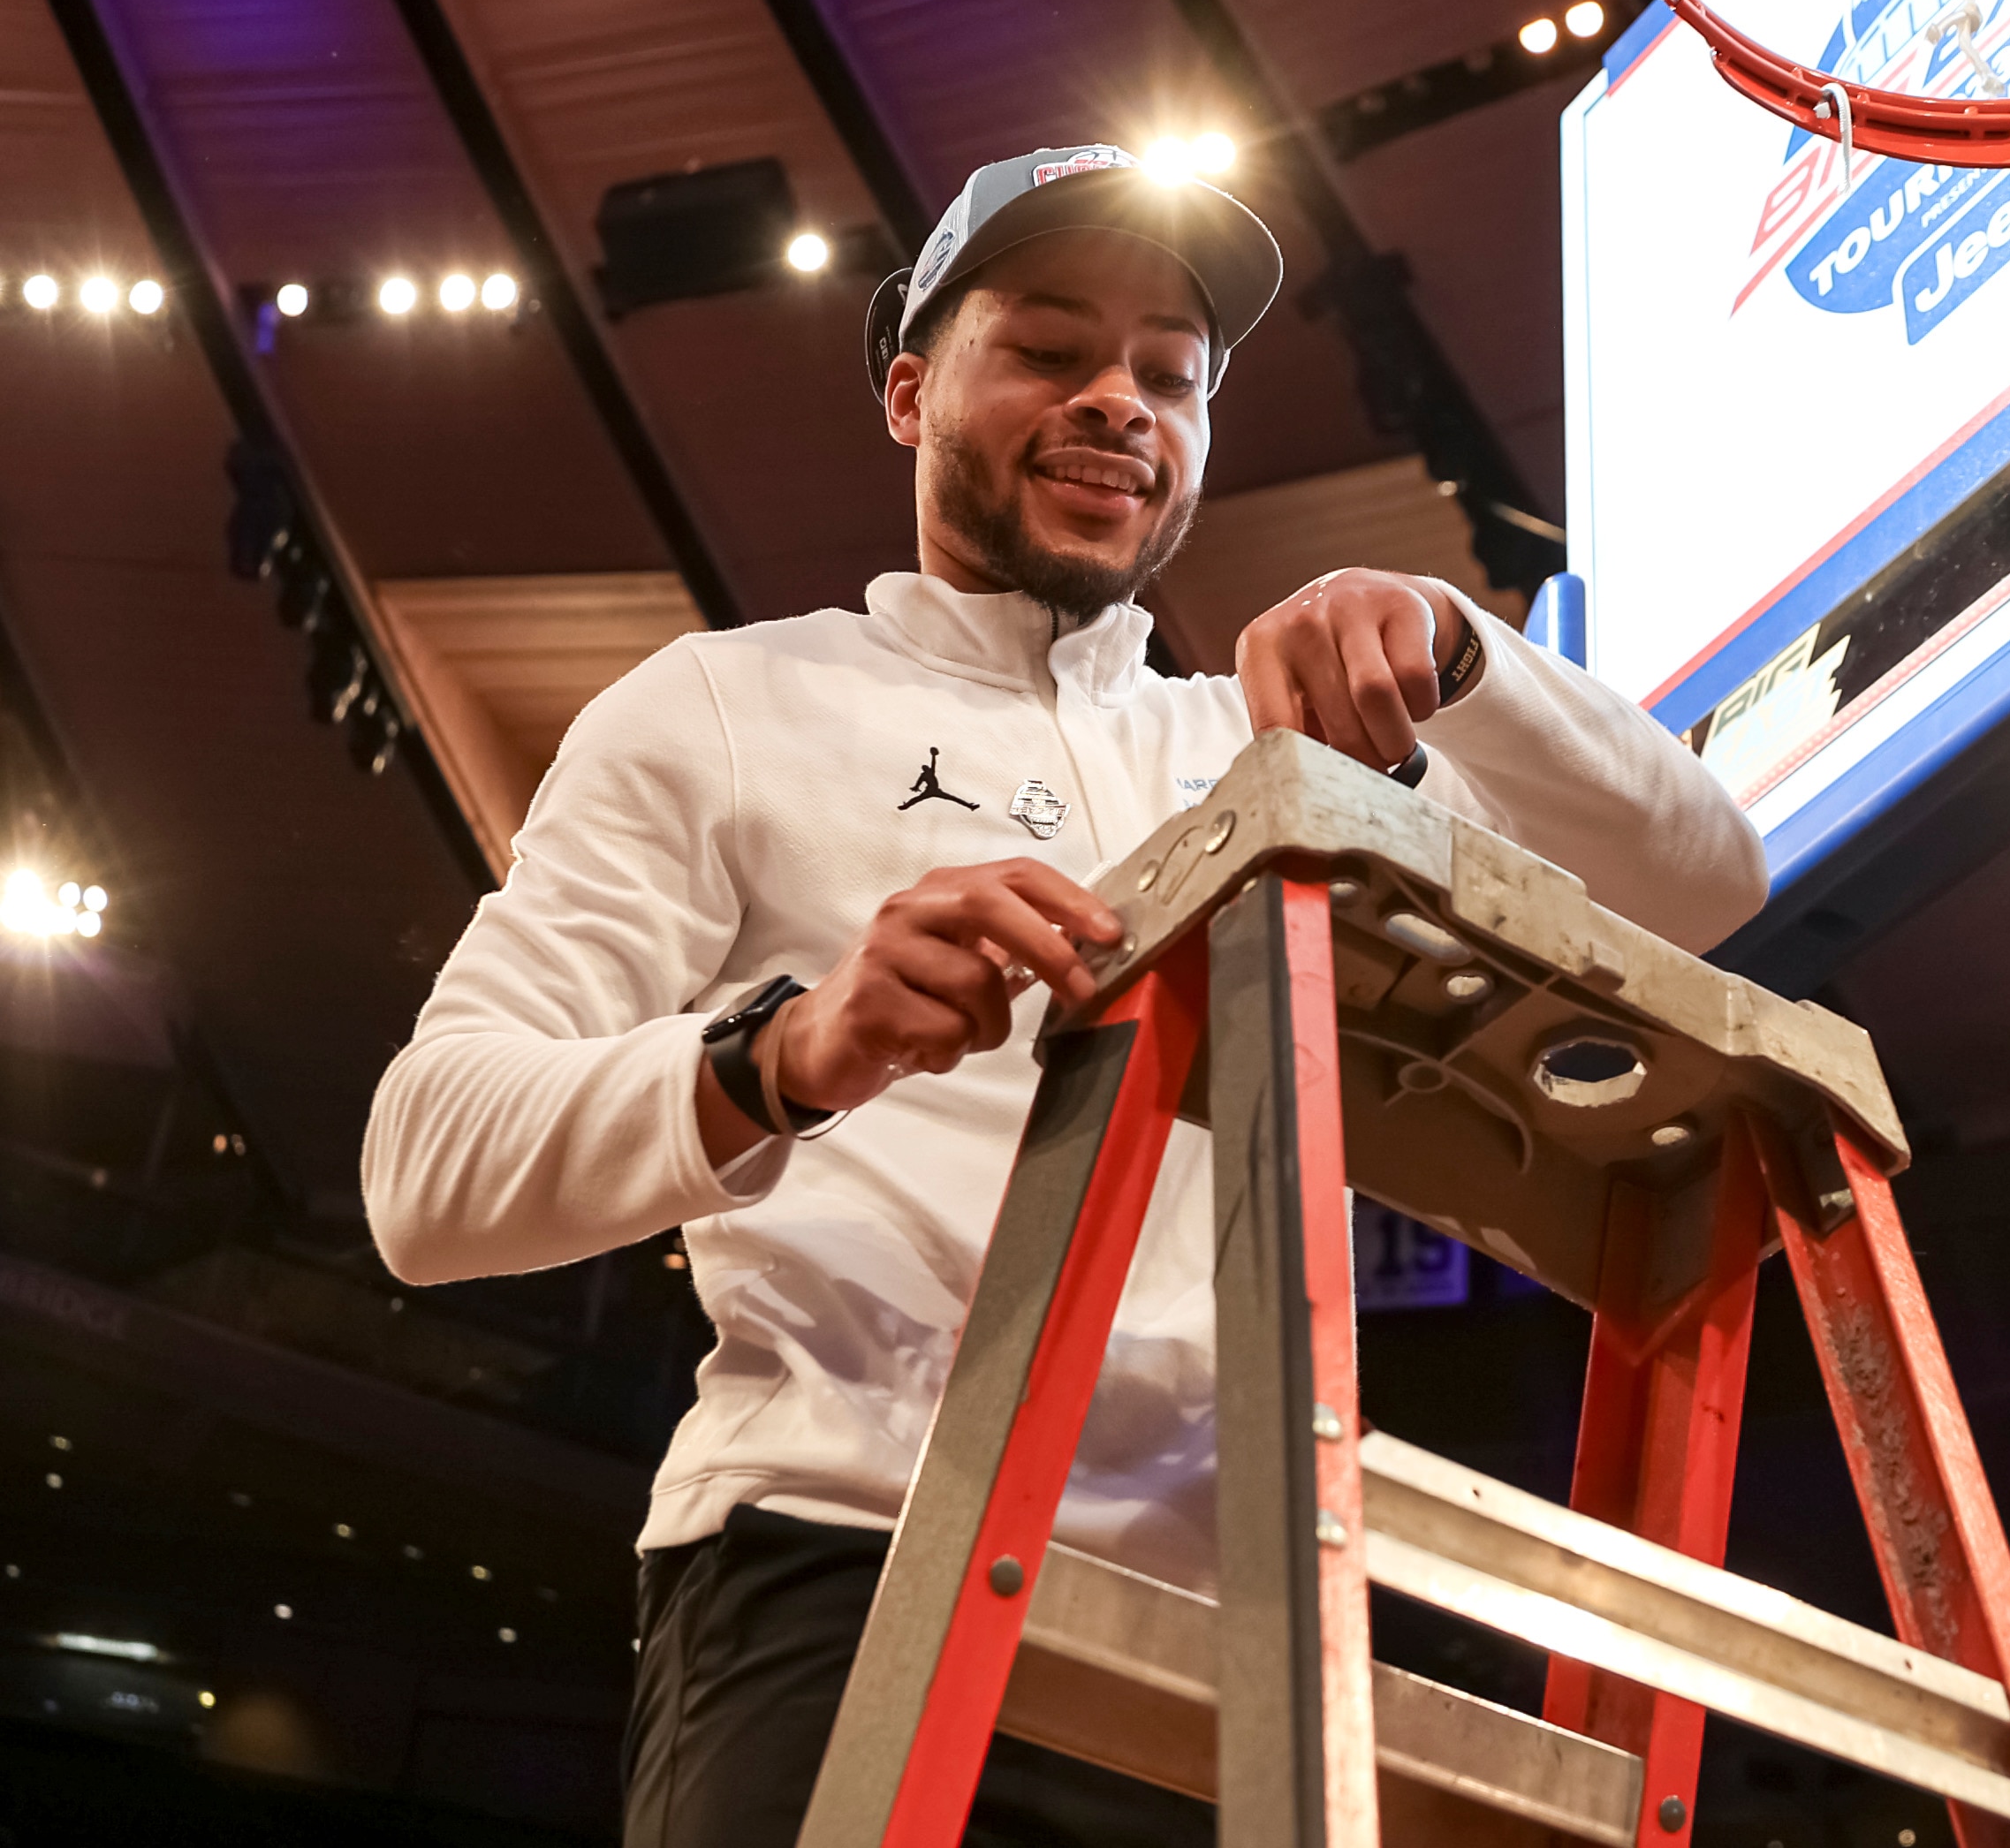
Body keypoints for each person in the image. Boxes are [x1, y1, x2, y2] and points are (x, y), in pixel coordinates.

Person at [360, 142, 1767, 1848]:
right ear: (908, 389)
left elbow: (1708, 882)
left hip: (1235, 1647)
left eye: (1169, 372)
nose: (1119, 401)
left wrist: (1461, 651)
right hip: (848, 1554)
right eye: (1046, 349)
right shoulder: (724, 705)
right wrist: (788, 1048)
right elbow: (424, 1177)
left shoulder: (1277, 759)